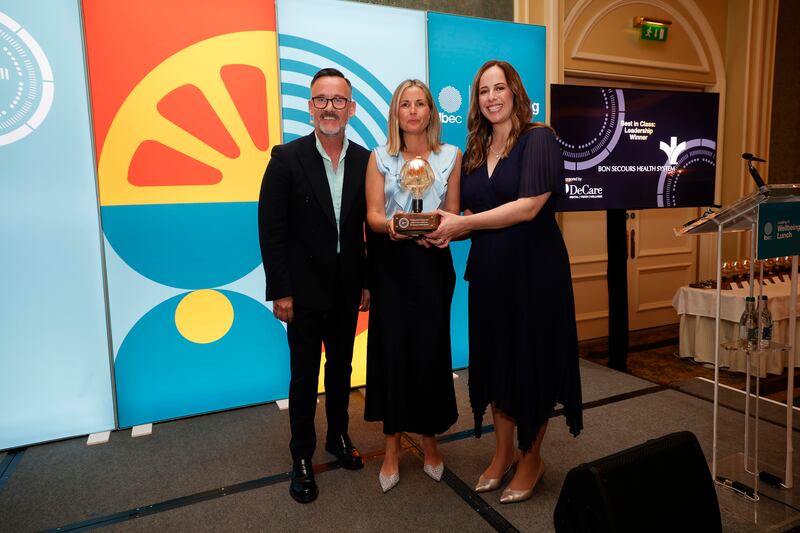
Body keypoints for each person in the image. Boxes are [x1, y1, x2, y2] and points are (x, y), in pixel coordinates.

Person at [427, 60, 583, 504]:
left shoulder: (540, 138)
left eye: (499, 88)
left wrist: (460, 225)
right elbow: (477, 213)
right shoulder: (475, 148)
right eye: (483, 91)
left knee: (530, 364)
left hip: (536, 274)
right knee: (496, 363)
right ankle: (501, 454)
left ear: (515, 92)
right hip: (490, 274)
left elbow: (528, 207)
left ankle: (531, 459)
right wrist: (448, 226)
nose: (491, 97)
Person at [258, 68, 371, 504]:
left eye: (338, 100)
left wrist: (366, 282)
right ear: (310, 107)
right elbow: (272, 229)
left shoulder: (366, 161)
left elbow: (368, 229)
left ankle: (337, 438)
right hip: (302, 294)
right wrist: (281, 291)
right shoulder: (286, 159)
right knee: (304, 376)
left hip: (347, 289)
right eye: (321, 99)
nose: (330, 107)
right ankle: (301, 457)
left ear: (351, 108)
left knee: (341, 371)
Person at [363, 79, 461, 493]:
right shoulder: (379, 158)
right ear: (396, 112)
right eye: (406, 104)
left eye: (421, 103)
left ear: (431, 112)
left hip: (432, 263)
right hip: (391, 265)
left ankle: (430, 440)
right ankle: (390, 448)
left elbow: (453, 212)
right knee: (392, 354)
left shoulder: (450, 155)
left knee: (430, 352)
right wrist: (395, 226)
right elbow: (372, 216)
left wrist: (437, 229)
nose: (414, 111)